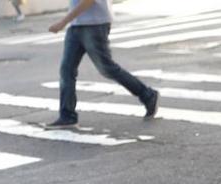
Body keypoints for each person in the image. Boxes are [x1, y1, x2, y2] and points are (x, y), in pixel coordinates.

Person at [45, 0, 159, 129]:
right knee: (66, 70)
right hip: (76, 25)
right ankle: (67, 116)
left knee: (107, 68)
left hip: (94, 25)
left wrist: (63, 22)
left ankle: (147, 95)